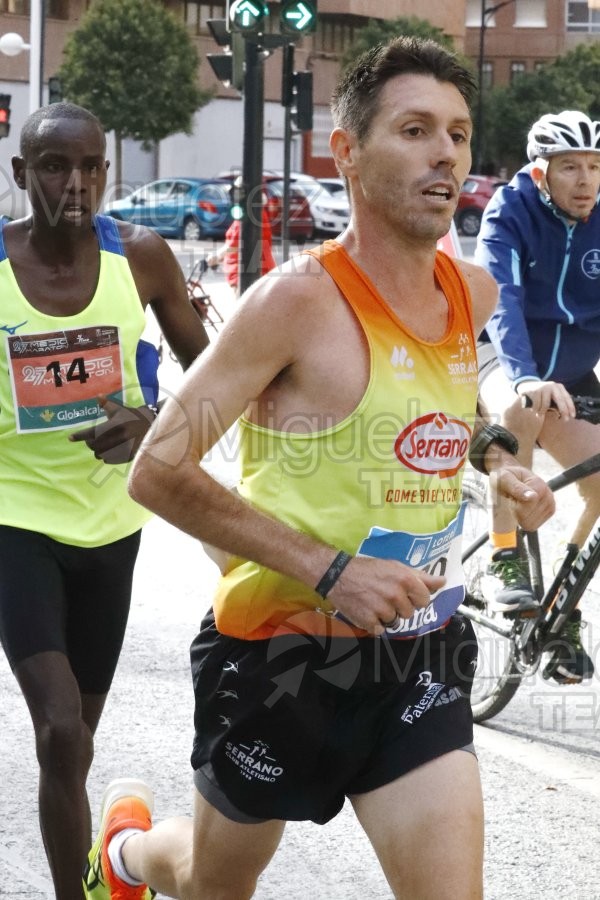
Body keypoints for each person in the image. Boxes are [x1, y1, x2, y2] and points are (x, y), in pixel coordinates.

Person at [84, 38, 554, 900]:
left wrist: (498, 464)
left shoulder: (471, 294)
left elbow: (443, 417)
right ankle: (126, 856)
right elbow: (156, 469)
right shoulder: (294, 302)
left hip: (417, 653)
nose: (445, 152)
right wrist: (328, 570)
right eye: (415, 129)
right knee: (209, 882)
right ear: (347, 152)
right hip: (277, 657)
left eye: (457, 131)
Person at [0, 102, 209, 899]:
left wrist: (151, 419)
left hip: (114, 523)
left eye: (90, 165)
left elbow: (217, 376)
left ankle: (107, 867)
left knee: (78, 741)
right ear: (22, 174)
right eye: (55, 166)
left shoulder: (144, 258)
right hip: (14, 516)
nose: (76, 182)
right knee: (57, 732)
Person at [474, 109, 600, 683]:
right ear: (540, 171)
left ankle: (563, 618)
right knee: (517, 411)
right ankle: (506, 556)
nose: (585, 181)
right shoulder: (511, 209)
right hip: (506, 362)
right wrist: (526, 377)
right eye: (570, 167)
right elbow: (501, 301)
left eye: (595, 167)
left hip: (571, 379)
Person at [206, 177, 276, 295]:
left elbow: (236, 244)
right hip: (256, 270)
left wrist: (215, 257)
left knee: (245, 307)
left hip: (244, 272)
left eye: (240, 191)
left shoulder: (250, 215)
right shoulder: (257, 212)